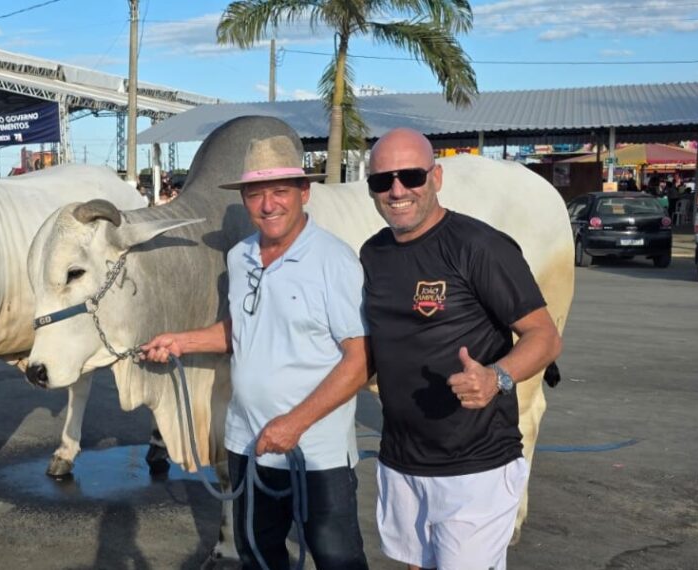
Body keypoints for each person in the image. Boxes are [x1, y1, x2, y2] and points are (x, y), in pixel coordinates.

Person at [142, 135, 370, 569]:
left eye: (280, 191)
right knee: (258, 556)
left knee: (337, 560)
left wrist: (293, 424)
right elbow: (244, 330)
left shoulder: (334, 261)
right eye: (255, 194)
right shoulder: (240, 256)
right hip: (247, 444)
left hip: (315, 454)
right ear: (244, 199)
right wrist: (181, 342)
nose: (268, 205)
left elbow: (359, 361)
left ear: (304, 192)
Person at [358, 128, 563, 570]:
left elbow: (544, 336)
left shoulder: (479, 246)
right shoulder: (373, 254)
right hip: (401, 461)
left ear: (436, 177)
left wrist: (497, 377)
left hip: (474, 467)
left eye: (411, 176)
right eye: (382, 180)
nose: (397, 190)